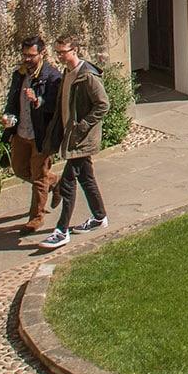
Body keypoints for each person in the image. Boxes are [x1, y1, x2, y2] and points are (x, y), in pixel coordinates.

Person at [37, 34, 108, 251]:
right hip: (72, 136)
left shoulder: (87, 76)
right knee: (87, 179)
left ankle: (61, 230)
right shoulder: (67, 73)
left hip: (81, 139)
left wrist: (82, 126)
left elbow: (103, 105)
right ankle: (99, 217)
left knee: (67, 184)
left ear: (74, 50)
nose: (59, 56)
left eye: (63, 52)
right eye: (57, 52)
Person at [0, 35, 61, 233]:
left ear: (42, 53)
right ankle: (55, 182)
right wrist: (8, 116)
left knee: (38, 178)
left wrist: (37, 101)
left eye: (31, 55)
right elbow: (12, 100)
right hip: (21, 133)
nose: (26, 59)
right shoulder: (19, 74)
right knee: (19, 169)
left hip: (41, 135)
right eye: (24, 54)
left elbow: (54, 105)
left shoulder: (52, 76)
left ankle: (36, 218)